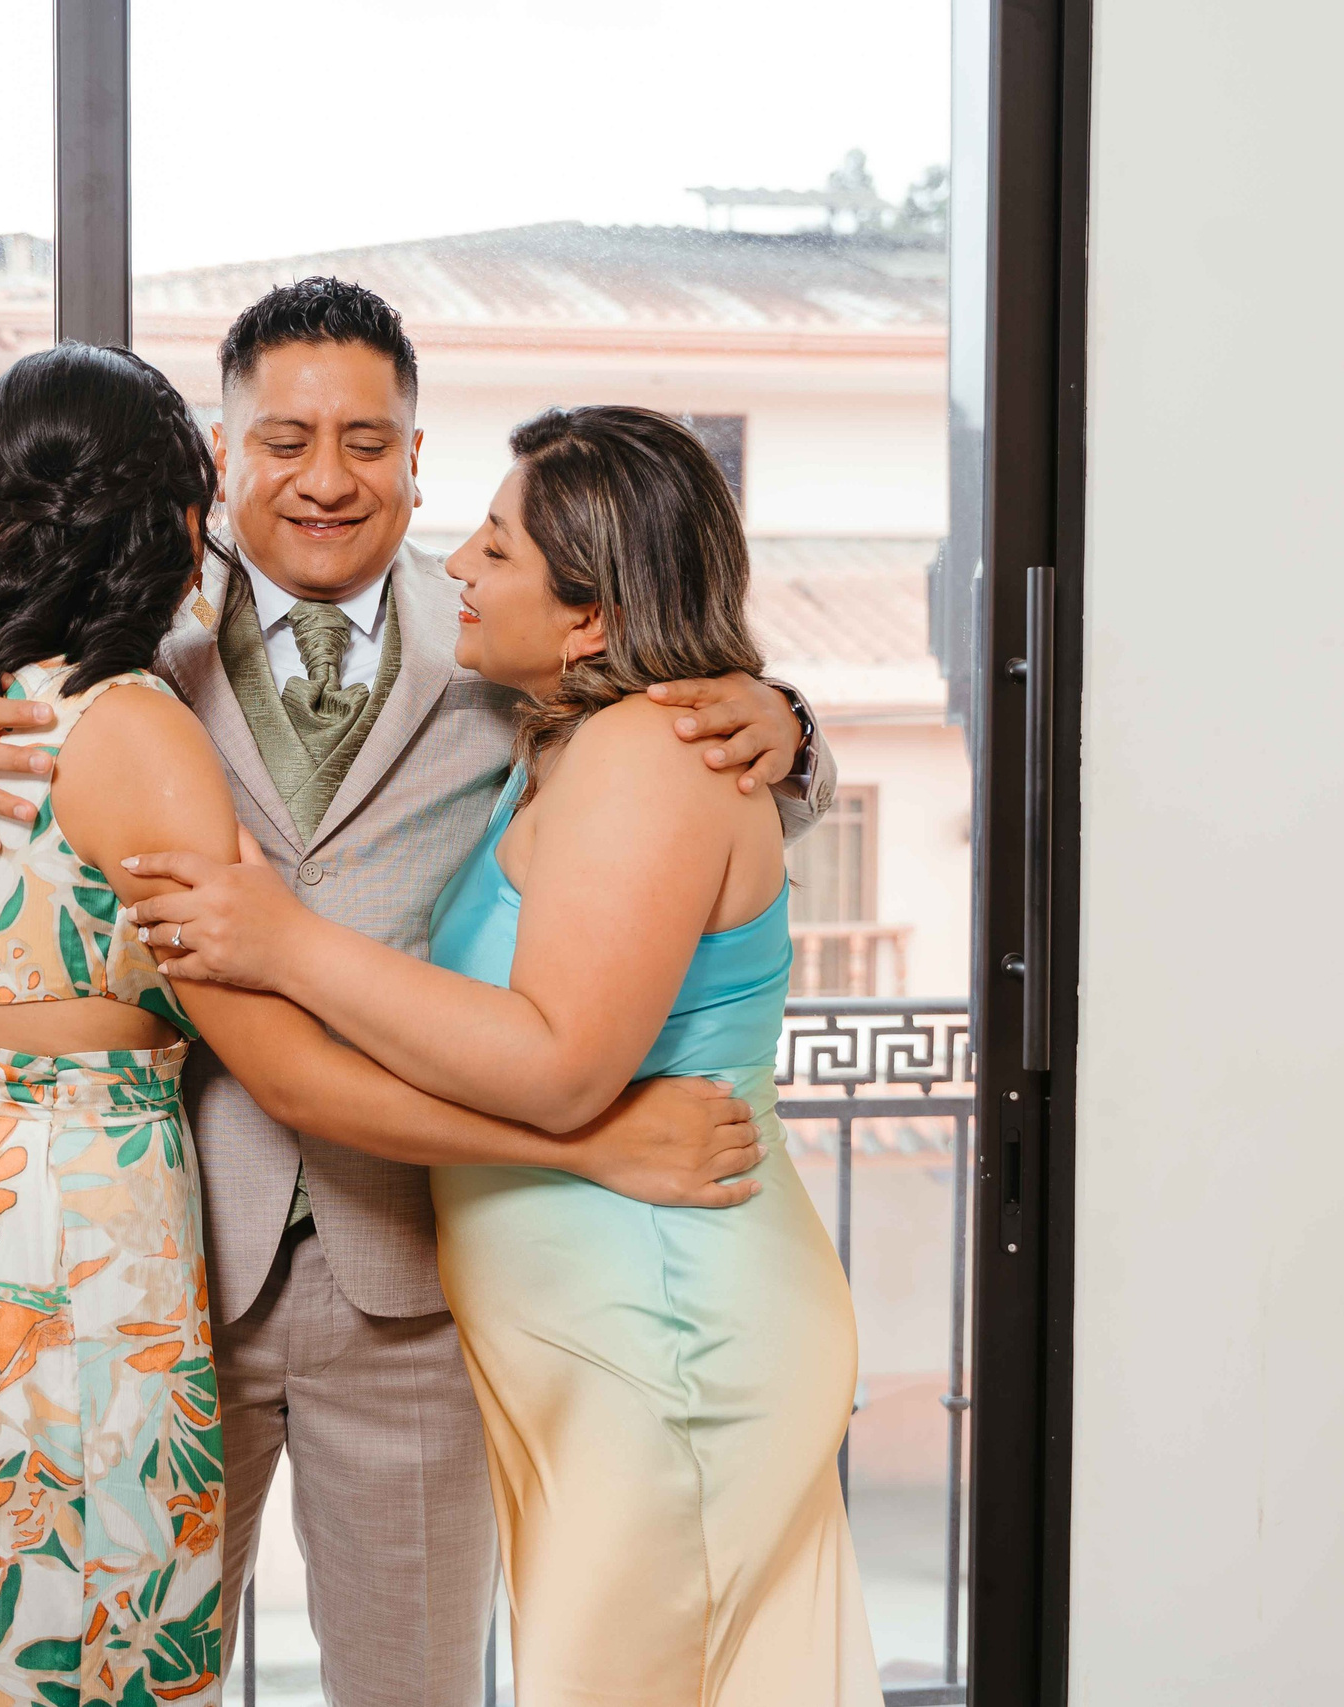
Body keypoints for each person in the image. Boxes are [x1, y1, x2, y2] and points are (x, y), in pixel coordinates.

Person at [0, 280, 839, 1707]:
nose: (329, 476)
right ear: (220, 460)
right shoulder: (132, 632)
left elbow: (679, 770)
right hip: (164, 1274)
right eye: (286, 438)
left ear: (419, 455)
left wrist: (792, 730)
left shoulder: (496, 627)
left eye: (370, 439)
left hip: (410, 1278)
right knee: (108, 1666)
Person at [124, 405, 883, 1704]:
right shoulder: (568, 741)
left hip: (664, 1342)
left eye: (496, 543)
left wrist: (286, 946)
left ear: (589, 615)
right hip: (600, 1355)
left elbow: (556, 1062)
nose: (458, 566)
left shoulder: (652, 747)